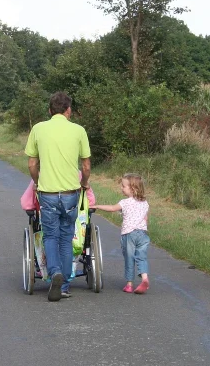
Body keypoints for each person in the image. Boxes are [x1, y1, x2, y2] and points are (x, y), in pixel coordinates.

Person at [24, 91, 91, 301]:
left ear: (49, 110)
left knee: (50, 236)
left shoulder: (38, 129)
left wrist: (37, 182)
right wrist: (83, 183)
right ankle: (64, 285)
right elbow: (86, 165)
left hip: (48, 193)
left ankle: (54, 273)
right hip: (71, 193)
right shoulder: (79, 131)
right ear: (68, 110)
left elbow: (32, 164)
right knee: (66, 237)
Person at [95, 173, 150, 294]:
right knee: (142, 257)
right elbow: (145, 219)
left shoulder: (125, 202)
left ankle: (129, 285)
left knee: (129, 259)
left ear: (133, 188)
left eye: (124, 186)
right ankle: (145, 278)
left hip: (129, 234)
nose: (121, 188)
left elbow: (112, 208)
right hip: (142, 234)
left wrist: (97, 206)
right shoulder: (145, 203)